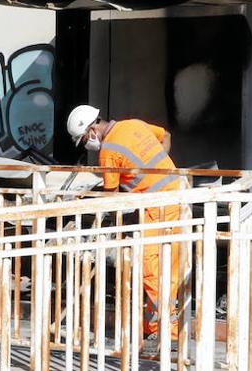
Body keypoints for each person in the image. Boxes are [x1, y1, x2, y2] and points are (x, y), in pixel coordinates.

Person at [66, 105, 187, 352]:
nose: (86, 144)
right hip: (178, 194)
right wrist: (151, 173)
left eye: (83, 139)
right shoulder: (133, 123)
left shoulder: (108, 152)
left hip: (157, 207)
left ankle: (166, 334)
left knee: (151, 269)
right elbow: (166, 137)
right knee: (172, 265)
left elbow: (112, 199)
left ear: (92, 130)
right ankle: (163, 328)